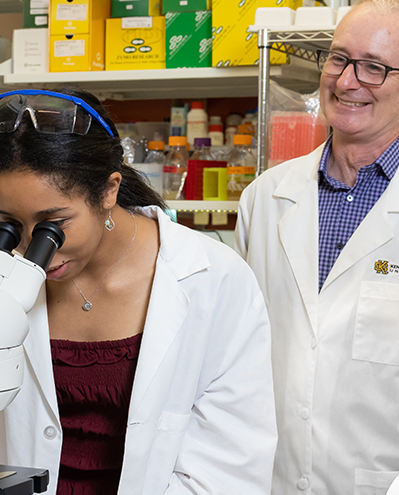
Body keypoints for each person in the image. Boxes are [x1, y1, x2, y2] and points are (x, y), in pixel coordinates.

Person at [0, 88, 276, 494]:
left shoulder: (213, 280)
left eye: (54, 224)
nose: (36, 252)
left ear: (108, 189)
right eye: (10, 222)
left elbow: (230, 464)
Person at [235, 1, 399, 492]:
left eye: (375, 68)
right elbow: (236, 355)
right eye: (338, 59)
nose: (348, 81)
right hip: (270, 479)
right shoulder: (265, 197)